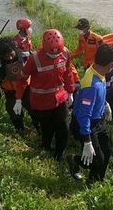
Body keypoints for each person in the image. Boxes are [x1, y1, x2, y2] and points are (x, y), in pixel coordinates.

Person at [14, 29, 75, 161]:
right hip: (41, 102)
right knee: (47, 128)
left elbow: (68, 72)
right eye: (51, 55)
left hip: (60, 98)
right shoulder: (34, 59)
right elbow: (22, 79)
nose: (54, 57)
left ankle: (59, 153)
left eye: (57, 54)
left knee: (63, 127)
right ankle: (45, 147)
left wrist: (70, 91)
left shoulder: (65, 53)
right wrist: (18, 99)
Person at [67, 44, 113, 183]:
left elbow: (98, 96)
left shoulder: (97, 71)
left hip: (99, 119)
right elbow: (84, 115)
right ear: (111, 64)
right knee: (96, 158)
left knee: (107, 151)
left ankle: (96, 179)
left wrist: (105, 104)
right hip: (87, 123)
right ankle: (73, 160)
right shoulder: (91, 85)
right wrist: (87, 140)